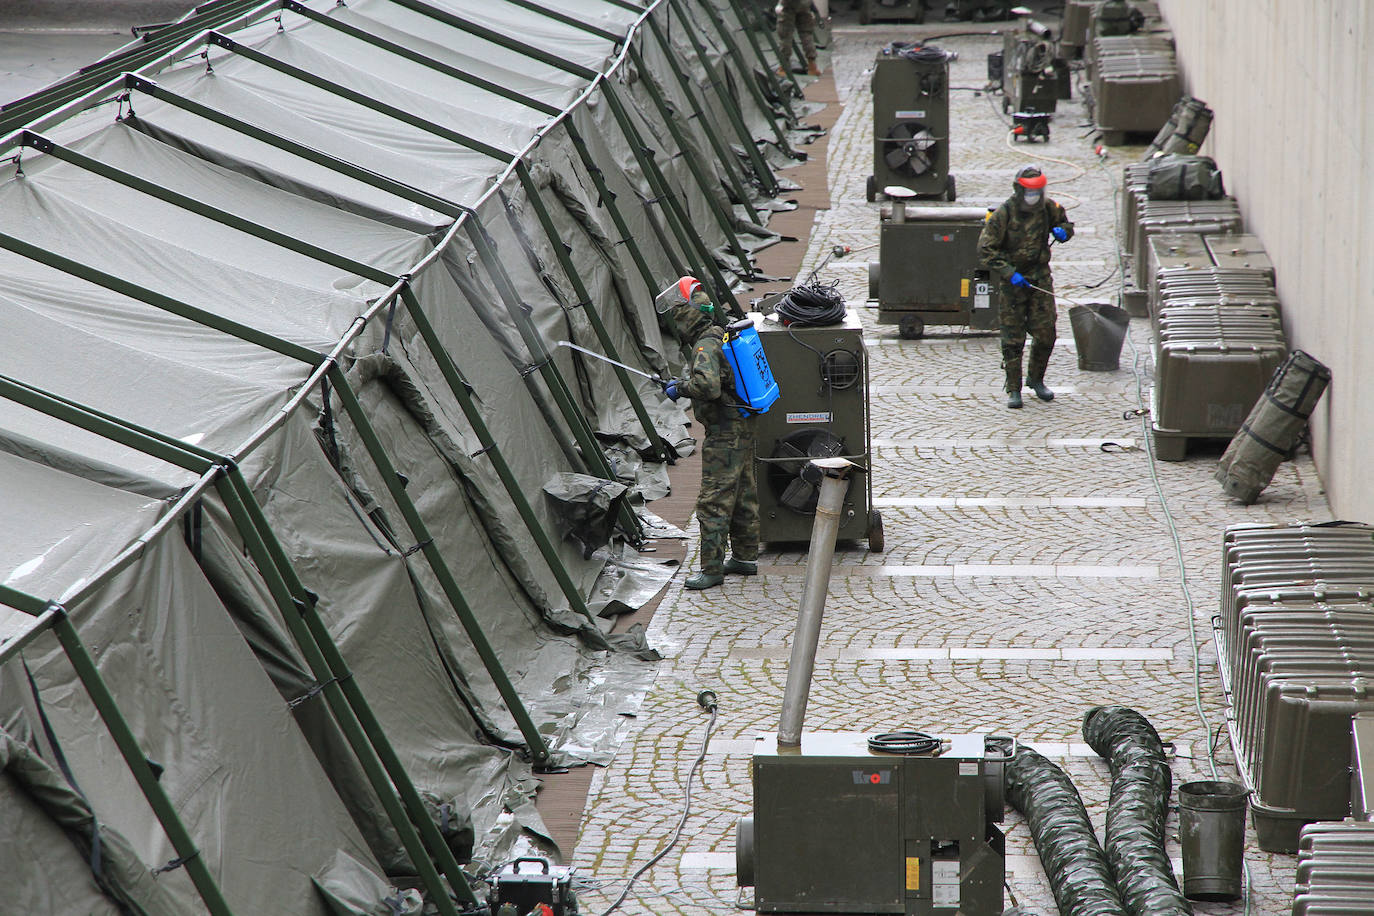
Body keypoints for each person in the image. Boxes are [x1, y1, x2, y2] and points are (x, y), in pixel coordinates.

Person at [660, 277, 760, 590]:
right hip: (743, 425)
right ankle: (744, 557)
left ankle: (712, 569)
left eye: (678, 314)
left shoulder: (704, 344)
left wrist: (681, 388)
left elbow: (708, 386)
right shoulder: (721, 331)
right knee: (744, 493)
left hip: (723, 433)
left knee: (713, 500)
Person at [977, 165, 1074, 409]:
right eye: (1031, 192)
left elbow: (1067, 224)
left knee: (1046, 333)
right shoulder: (1004, 214)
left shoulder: (1048, 208)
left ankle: (1036, 379)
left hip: (1040, 278)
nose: (1035, 197)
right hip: (1014, 284)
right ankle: (1013, 388)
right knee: (1012, 338)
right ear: (1019, 190)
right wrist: (1009, 273)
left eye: (1038, 192)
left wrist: (1064, 232)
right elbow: (986, 250)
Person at [776, 0, 821, 77]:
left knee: (785, 35)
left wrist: (781, 4)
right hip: (805, 3)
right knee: (806, 33)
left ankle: (784, 67)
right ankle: (812, 66)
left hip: (788, 4)